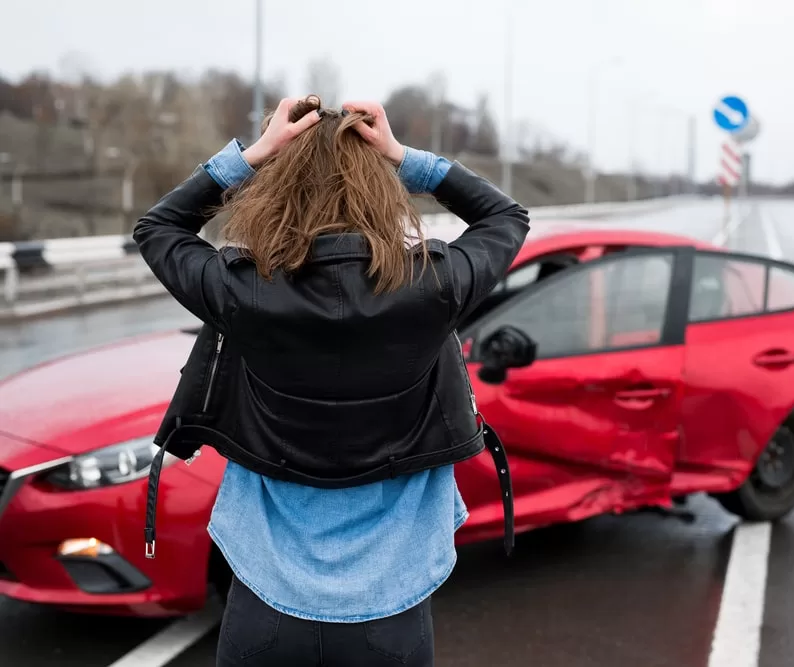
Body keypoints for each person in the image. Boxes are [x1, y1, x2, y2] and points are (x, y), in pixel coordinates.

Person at [133, 95, 529, 666]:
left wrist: (255, 153)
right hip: (391, 614)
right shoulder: (432, 287)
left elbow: (159, 226)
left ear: (278, 189)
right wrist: (401, 155)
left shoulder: (240, 290)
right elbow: (506, 217)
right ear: (380, 191)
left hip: (264, 607)